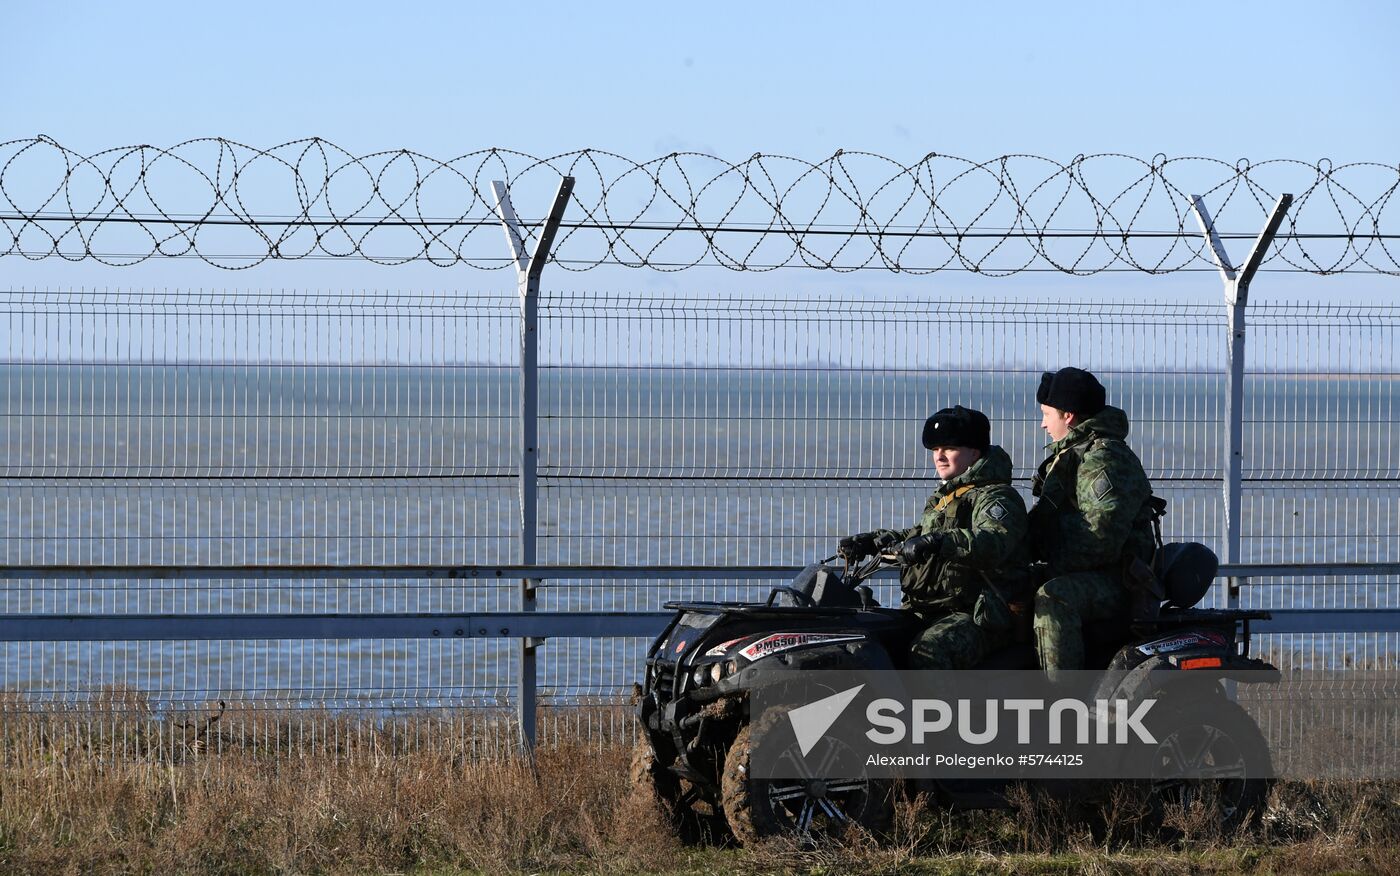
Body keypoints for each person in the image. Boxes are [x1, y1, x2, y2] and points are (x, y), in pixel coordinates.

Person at [838, 405, 1029, 670]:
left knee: (929, 652)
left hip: (977, 613)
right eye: (934, 450)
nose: (939, 457)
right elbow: (919, 535)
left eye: (948, 448)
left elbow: (993, 541)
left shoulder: (996, 497)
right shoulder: (947, 496)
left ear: (974, 452)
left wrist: (941, 543)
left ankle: (939, 712)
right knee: (874, 635)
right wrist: (873, 541)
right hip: (931, 608)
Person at [1029, 367, 1158, 683]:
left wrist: (1049, 566)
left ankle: (1064, 707)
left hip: (1118, 578)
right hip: (1091, 570)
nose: (1044, 423)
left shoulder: (1102, 459)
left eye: (1048, 414)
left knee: (1054, 597)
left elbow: (1101, 536)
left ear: (1069, 416)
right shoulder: (1075, 453)